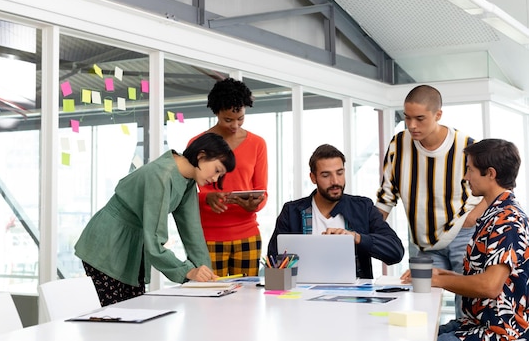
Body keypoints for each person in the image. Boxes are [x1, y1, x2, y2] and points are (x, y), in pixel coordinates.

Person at [74, 132, 236, 306]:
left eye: (220, 175)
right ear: (201, 155)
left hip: (133, 247)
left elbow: (193, 232)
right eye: (217, 170)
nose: (215, 179)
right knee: (115, 320)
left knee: (132, 315)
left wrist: (208, 277)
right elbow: (155, 241)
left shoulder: (188, 179)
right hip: (107, 245)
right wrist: (188, 271)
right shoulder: (162, 175)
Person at [402, 139, 529, 341]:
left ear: (490, 173)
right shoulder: (493, 215)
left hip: (498, 332)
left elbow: (489, 286)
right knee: (414, 333)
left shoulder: (508, 220)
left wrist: (436, 281)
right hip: (476, 323)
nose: (465, 177)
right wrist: (443, 273)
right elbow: (485, 276)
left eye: (470, 170)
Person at [376, 85, 485, 316]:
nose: (412, 125)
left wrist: (472, 218)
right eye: (407, 118)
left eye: (420, 118)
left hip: (462, 237)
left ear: (438, 115)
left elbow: (493, 189)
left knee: (467, 309)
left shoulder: (468, 145)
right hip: (422, 243)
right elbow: (386, 197)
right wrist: (367, 236)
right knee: (420, 307)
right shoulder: (398, 144)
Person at [268, 144, 404, 278]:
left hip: (354, 296)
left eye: (340, 173)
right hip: (302, 295)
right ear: (313, 178)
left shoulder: (363, 208)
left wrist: (356, 238)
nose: (335, 181)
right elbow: (273, 264)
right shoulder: (291, 212)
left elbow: (396, 252)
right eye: (326, 175)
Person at [188, 77, 268, 277]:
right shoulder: (197, 143)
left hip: (247, 234)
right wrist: (206, 197)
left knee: (247, 300)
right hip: (209, 236)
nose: (235, 125)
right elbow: (185, 194)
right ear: (216, 112)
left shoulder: (258, 144)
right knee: (209, 300)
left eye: (240, 118)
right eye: (228, 119)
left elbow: (262, 191)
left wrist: (254, 205)